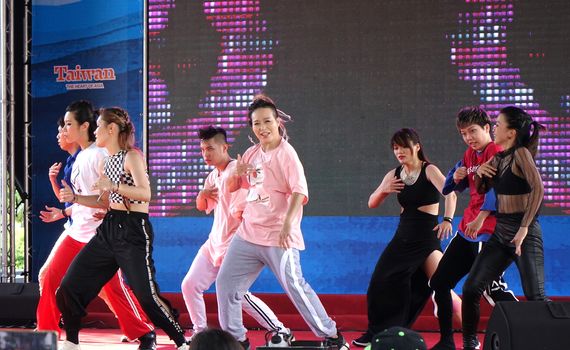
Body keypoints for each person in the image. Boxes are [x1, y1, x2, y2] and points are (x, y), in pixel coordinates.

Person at [215, 95, 349, 350]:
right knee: (226, 284)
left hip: (278, 236)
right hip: (248, 234)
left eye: (267, 121)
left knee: (295, 286)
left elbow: (300, 191)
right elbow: (234, 187)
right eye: (256, 123)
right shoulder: (252, 153)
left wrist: (288, 224)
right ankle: (236, 340)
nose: (262, 128)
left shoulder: (287, 154)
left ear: (278, 123)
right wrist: (237, 173)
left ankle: (331, 336)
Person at [56, 107, 189, 350]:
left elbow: (145, 194)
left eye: (98, 126)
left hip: (133, 230)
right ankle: (72, 341)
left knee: (147, 298)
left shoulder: (132, 157)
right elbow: (104, 202)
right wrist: (75, 198)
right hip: (109, 230)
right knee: (68, 287)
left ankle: (181, 341)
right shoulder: (105, 163)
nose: (95, 131)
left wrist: (114, 185)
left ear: (112, 129)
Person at [35, 101, 156, 350]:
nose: (65, 129)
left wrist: (110, 210)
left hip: (99, 237)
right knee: (49, 277)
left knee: (113, 289)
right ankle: (47, 333)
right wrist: (69, 205)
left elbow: (115, 192)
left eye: (69, 124)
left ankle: (144, 332)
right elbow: (82, 199)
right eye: (64, 125)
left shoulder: (100, 155)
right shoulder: (79, 157)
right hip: (76, 232)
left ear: (85, 126)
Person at [181, 126, 292, 342]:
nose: (206, 154)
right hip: (214, 243)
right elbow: (202, 205)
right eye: (203, 150)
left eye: (210, 149)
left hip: (234, 243)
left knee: (238, 294)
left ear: (225, 147)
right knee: (190, 284)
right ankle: (199, 333)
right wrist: (202, 194)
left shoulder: (236, 171)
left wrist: (240, 244)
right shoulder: (213, 176)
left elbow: (243, 213)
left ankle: (280, 329)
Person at [353, 128, 457, 347]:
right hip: (402, 237)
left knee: (443, 287)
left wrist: (447, 220)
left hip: (425, 239)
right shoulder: (394, 174)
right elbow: (372, 202)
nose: (399, 151)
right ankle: (377, 332)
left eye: (403, 146)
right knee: (380, 282)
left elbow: (451, 194)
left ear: (416, 147)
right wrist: (384, 189)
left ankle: (459, 338)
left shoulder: (429, 170)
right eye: (395, 148)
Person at [429, 107, 517, 350]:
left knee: (489, 290)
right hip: (467, 232)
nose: (468, 137)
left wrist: (481, 218)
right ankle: (448, 341)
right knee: (439, 282)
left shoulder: (497, 152)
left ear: (487, 128)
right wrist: (455, 176)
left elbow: (498, 192)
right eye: (463, 133)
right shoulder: (470, 154)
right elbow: (448, 189)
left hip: (488, 233)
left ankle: (527, 328)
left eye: (473, 131)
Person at [462, 106, 548, 350]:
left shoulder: (521, 154)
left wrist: (523, 229)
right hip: (501, 232)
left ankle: (552, 340)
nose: (495, 127)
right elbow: (480, 189)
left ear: (511, 133)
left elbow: (538, 190)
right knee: (471, 288)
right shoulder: (498, 157)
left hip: (525, 234)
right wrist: (480, 172)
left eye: (498, 124)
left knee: (536, 297)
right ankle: (470, 342)